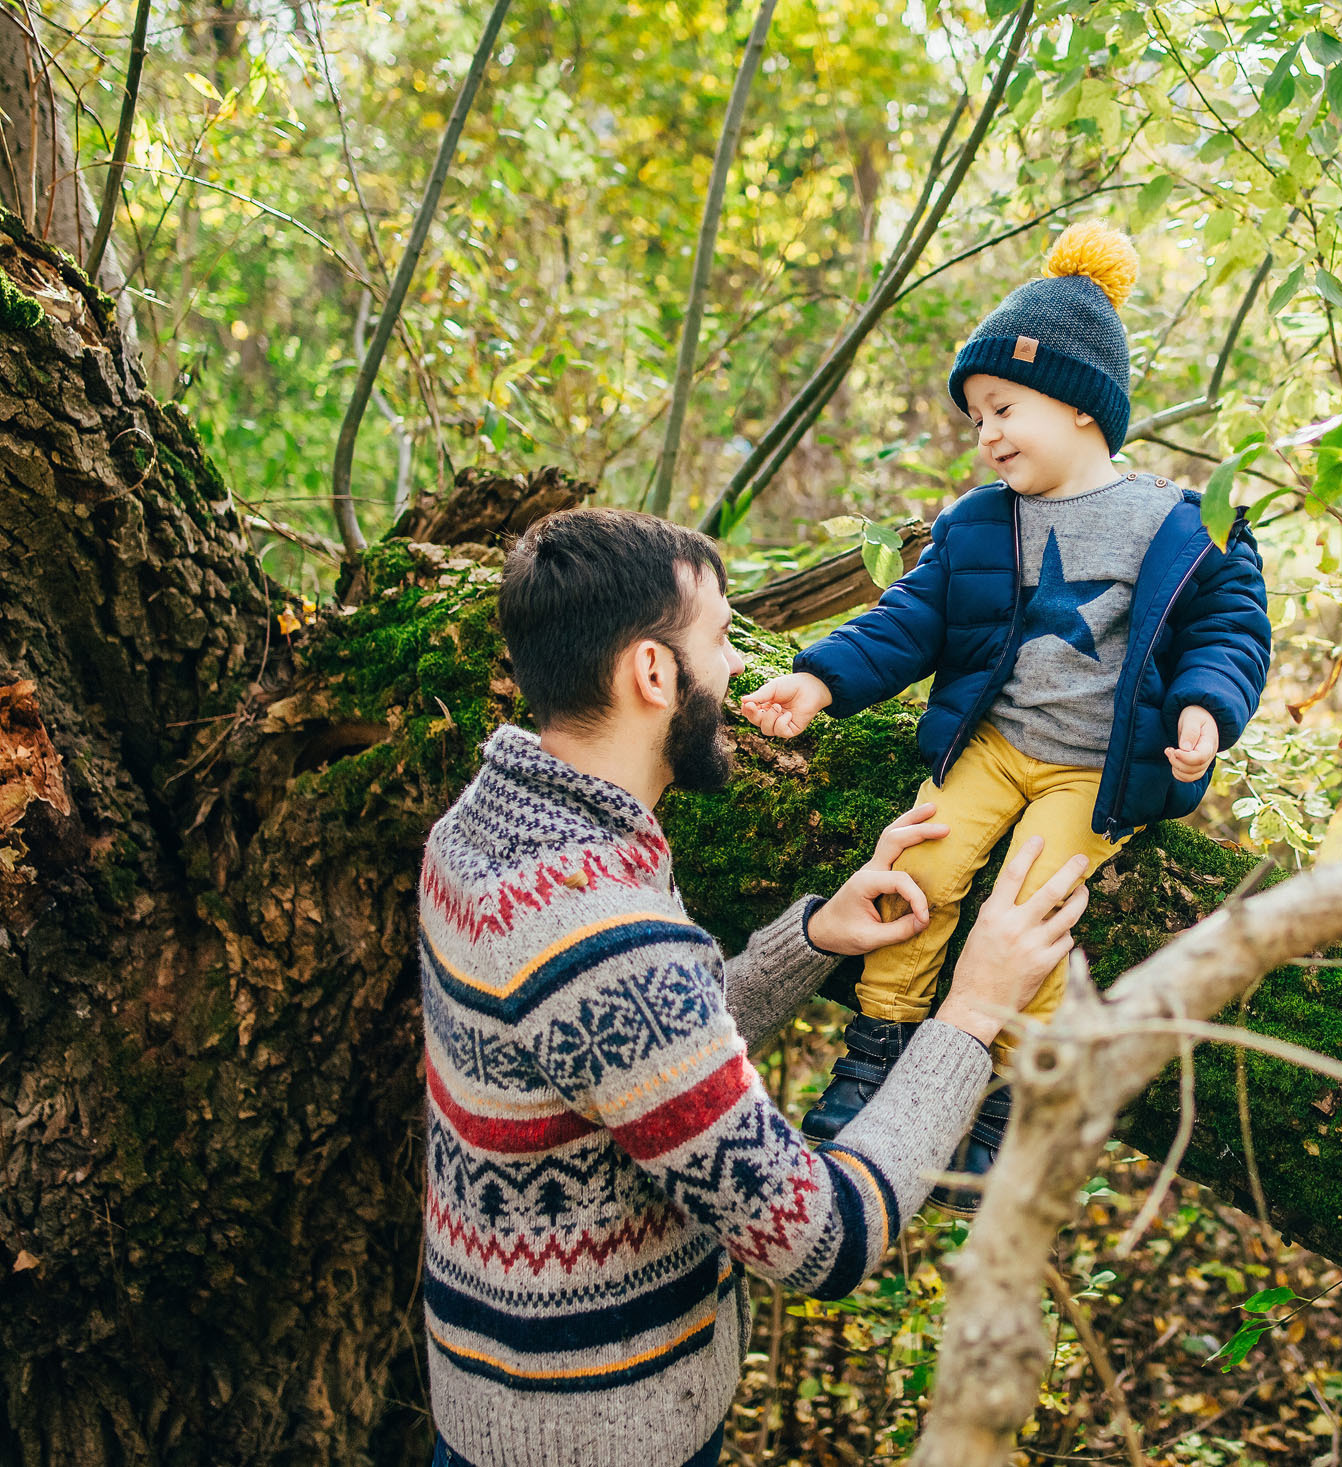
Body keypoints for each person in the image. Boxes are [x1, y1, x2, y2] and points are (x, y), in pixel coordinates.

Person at [418, 507, 1090, 1467]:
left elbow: (624, 1064)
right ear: (653, 673)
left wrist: (811, 940)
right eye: (724, 637)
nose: (737, 666)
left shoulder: (483, 835)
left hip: (495, 1405)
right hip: (608, 1436)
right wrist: (972, 1012)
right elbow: (820, 1237)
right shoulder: (604, 930)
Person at [739, 222, 1272, 1208]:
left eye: (1002, 408)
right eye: (976, 416)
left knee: (1025, 911)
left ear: (1080, 405)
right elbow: (910, 618)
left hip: (1094, 772)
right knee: (919, 868)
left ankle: (998, 1106)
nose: (985, 434)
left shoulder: (1184, 522)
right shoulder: (981, 519)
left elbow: (1230, 629)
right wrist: (819, 680)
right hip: (990, 746)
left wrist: (1206, 707)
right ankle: (877, 1056)